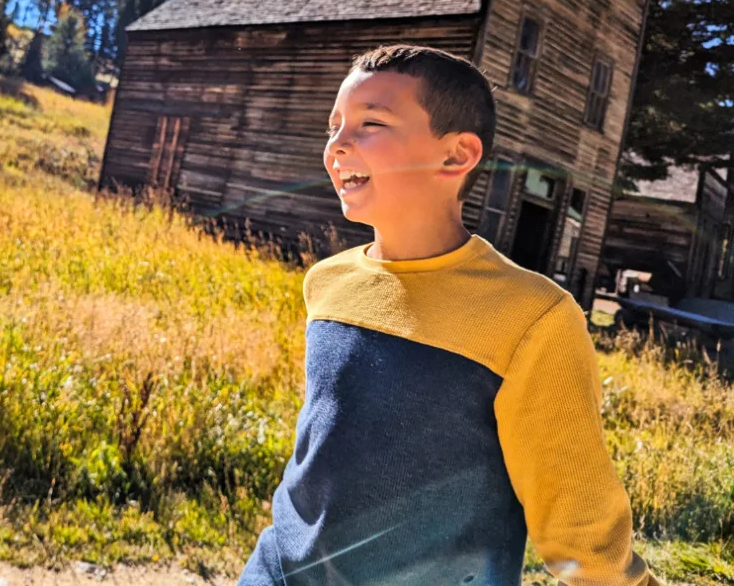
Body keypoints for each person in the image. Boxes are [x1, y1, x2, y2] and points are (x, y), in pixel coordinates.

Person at [239, 44, 660, 586]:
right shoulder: (328, 282)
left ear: (456, 156)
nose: (337, 145)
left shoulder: (533, 318)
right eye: (334, 125)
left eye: (370, 124)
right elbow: (319, 456)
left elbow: (584, 537)